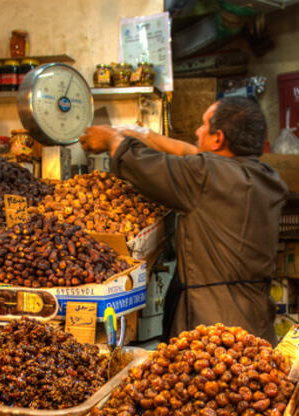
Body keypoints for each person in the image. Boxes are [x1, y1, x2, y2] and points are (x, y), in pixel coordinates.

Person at [79, 97, 287, 342]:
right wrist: (141, 134)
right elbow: (193, 154)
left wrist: (112, 140)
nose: (197, 131)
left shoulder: (204, 176)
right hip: (256, 317)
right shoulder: (266, 178)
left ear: (218, 138)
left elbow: (142, 164)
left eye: (203, 125)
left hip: (213, 326)